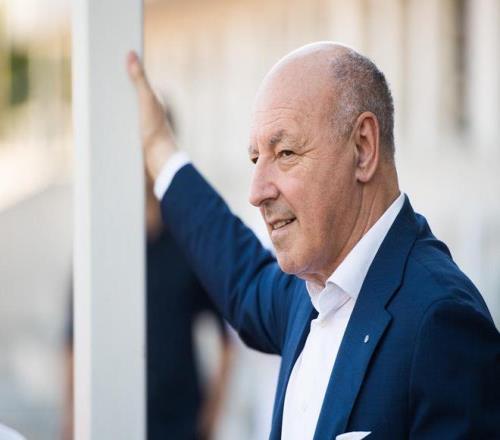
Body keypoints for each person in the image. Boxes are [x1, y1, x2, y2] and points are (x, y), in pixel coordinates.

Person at [127, 42, 500, 439]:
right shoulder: (307, 292)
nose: (257, 191)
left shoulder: (441, 322)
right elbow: (237, 270)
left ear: (363, 148)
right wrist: (158, 146)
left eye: (285, 153)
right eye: (256, 159)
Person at [63, 135, 233, 440]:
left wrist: (213, 411)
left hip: (182, 425)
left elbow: (228, 335)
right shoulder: (101, 246)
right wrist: (71, 418)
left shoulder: (188, 243)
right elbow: (73, 340)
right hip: (114, 420)